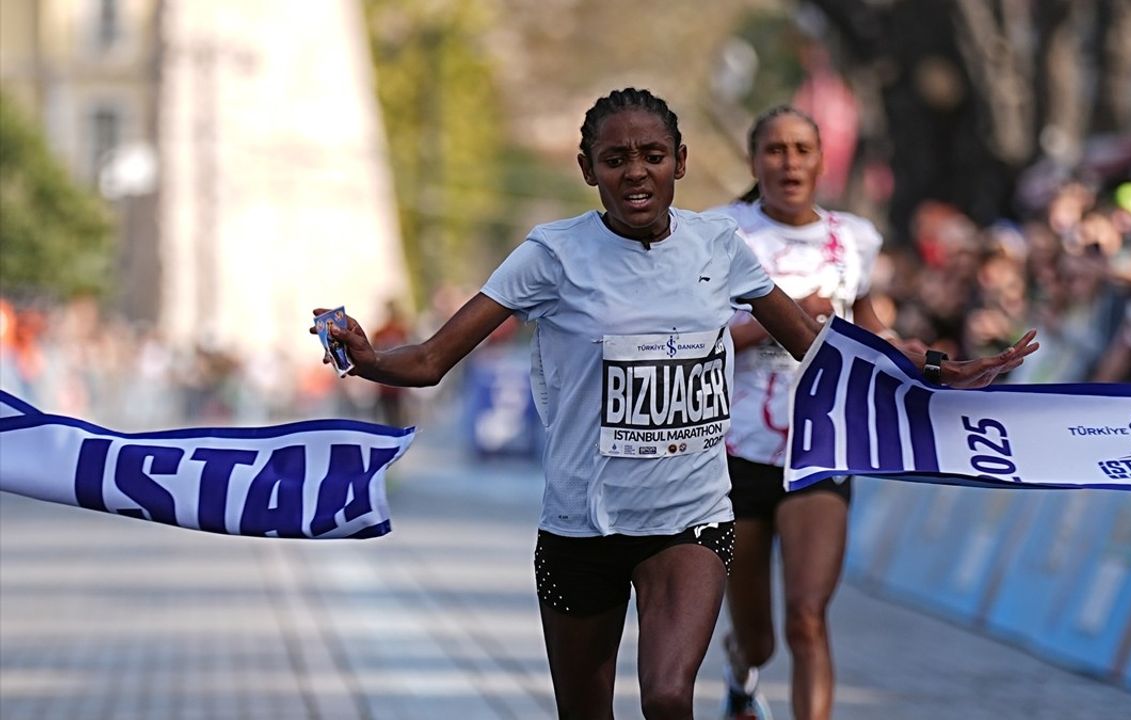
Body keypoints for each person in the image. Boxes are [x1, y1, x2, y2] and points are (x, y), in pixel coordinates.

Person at [314, 89, 1037, 720]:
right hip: (581, 524)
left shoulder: (717, 244)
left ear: (681, 161)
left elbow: (816, 346)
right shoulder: (550, 255)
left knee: (666, 696)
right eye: (616, 159)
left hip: (688, 518)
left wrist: (930, 368)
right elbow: (434, 360)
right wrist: (369, 355)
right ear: (588, 170)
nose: (635, 172)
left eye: (652, 155)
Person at [708, 106, 981, 720]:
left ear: (821, 160)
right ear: (754, 161)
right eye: (775, 150)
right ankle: (741, 667)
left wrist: (933, 363)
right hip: (733, 453)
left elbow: (871, 330)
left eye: (802, 149)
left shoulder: (852, 237)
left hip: (823, 445)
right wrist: (786, 318)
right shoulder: (721, 232)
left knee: (807, 616)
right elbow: (695, 340)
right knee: (759, 635)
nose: (789, 163)